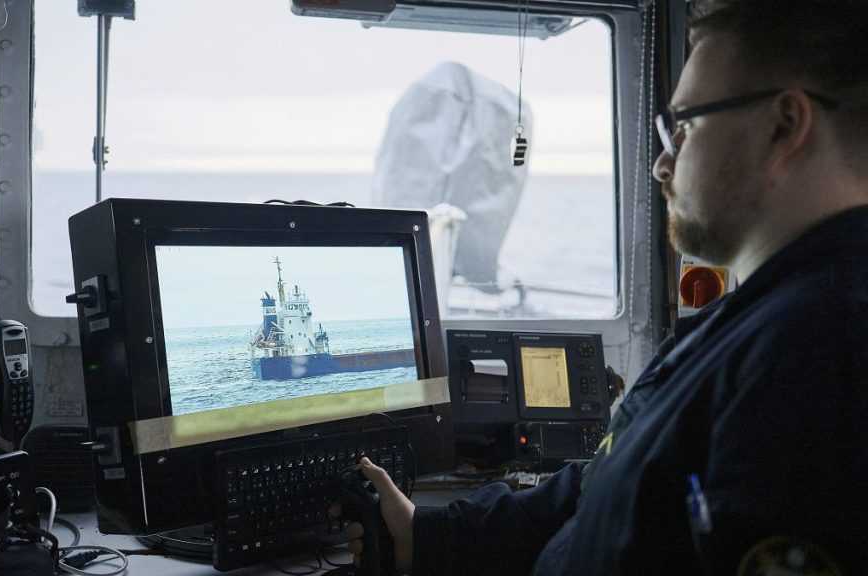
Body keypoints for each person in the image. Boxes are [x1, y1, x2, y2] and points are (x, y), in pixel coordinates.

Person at [337, 0, 868, 573]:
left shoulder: (824, 352)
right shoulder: (757, 321)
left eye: (684, 124)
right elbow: (614, 483)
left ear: (784, 126)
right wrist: (431, 537)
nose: (664, 163)